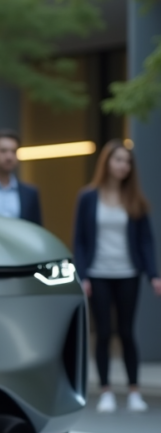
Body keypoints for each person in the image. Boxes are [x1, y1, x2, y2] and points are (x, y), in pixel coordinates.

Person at [73, 140, 161, 413]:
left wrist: (153, 274)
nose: (123, 166)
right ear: (107, 163)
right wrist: (83, 274)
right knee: (103, 332)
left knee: (126, 331)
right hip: (98, 274)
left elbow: (146, 241)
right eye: (118, 160)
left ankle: (134, 391)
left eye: (127, 161)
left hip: (128, 273)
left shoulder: (134, 199)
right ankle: (106, 390)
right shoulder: (88, 197)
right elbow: (80, 240)